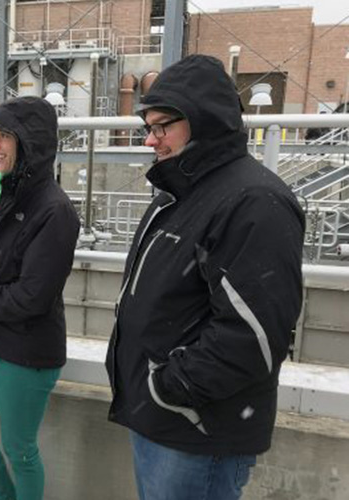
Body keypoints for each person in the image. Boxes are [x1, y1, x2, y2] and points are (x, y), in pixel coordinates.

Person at [105, 55, 305, 500]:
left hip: (198, 430)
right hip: (162, 417)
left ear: (202, 119)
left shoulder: (253, 201)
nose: (150, 141)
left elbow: (252, 335)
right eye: (148, 127)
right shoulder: (180, 193)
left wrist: (168, 386)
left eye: (162, 127)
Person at [0, 96, 80, 500]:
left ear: (31, 143)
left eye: (3, 135)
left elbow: (35, 294)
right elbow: (2, 261)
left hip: (29, 344)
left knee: (20, 449)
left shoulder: (55, 210)